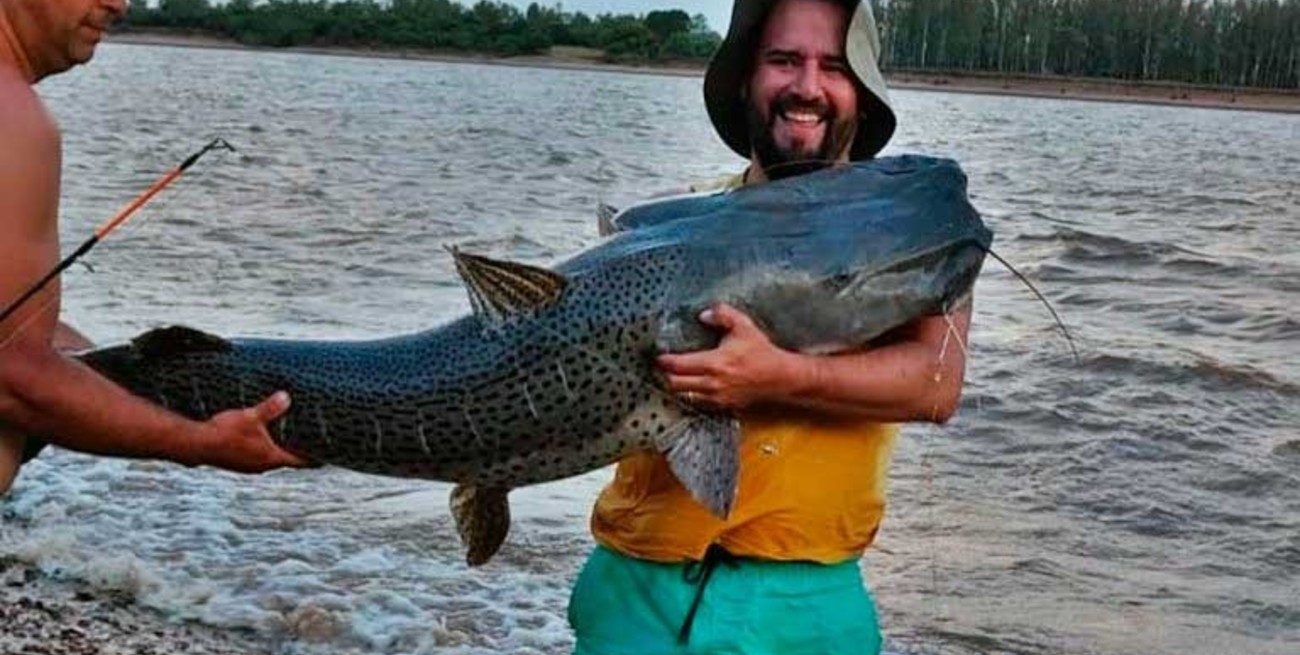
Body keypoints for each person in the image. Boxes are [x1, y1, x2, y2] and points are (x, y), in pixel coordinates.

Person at [567, 1, 972, 653]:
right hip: (636, 592)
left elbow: (936, 382)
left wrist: (775, 376)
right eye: (783, 60)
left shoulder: (912, 228)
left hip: (807, 607)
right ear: (745, 82)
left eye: (833, 67)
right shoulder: (663, 230)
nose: (807, 86)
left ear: (862, 95)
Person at [0, 0, 305, 495]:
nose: (119, 4)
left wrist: (100, 368)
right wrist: (201, 441)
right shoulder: (12, 119)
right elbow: (12, 374)